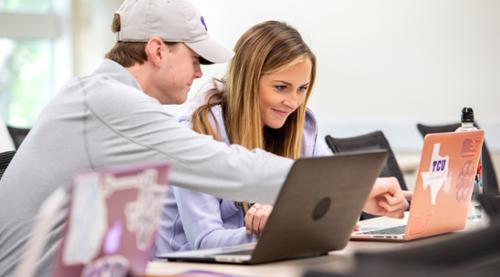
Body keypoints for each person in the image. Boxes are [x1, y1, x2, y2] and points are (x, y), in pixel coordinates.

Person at [0, 0, 408, 275]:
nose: (200, 74)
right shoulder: (111, 103)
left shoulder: (93, 95)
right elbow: (227, 165)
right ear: (158, 51)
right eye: (195, 59)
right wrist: (355, 188)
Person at [154, 21, 410, 253]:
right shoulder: (198, 130)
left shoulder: (303, 126)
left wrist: (353, 204)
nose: (293, 102)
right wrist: (279, 228)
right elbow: (204, 242)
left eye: (302, 89)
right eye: (280, 87)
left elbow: (335, 209)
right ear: (248, 81)